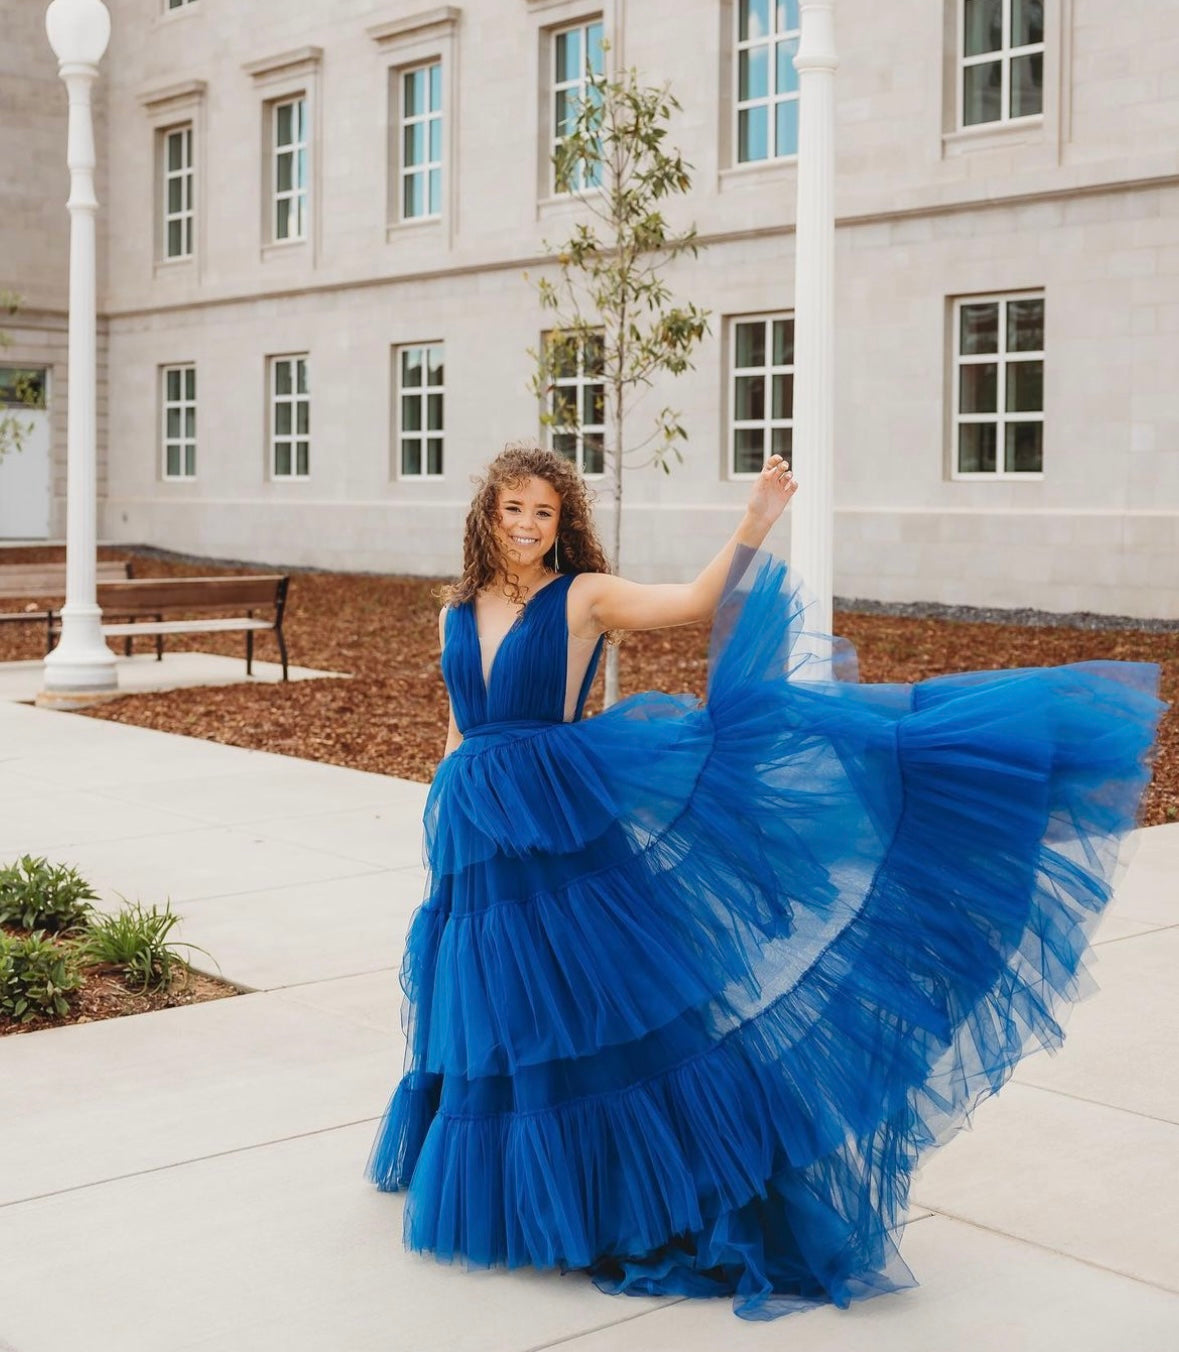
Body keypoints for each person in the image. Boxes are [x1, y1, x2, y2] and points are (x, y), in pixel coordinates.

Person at [367, 443, 1163, 1320]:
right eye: (512, 508)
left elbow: (693, 603)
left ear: (564, 524)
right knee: (503, 1010)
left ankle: (624, 1191)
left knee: (589, 1011)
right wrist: (439, 824)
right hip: (475, 834)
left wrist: (754, 520)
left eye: (543, 512)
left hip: (559, 825)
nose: (525, 525)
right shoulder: (455, 610)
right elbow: (455, 730)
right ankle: (524, 1190)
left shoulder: (581, 597)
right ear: (486, 512)